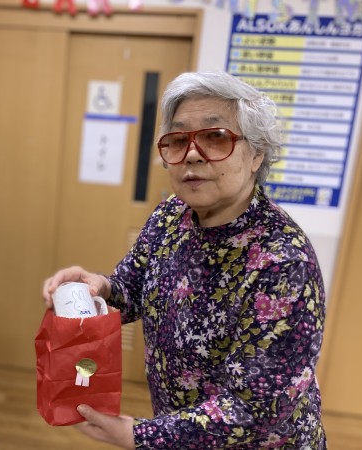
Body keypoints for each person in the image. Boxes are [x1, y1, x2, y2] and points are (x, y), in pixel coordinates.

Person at [42, 71, 327, 449]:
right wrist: (100, 287)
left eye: (215, 137)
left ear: (256, 154)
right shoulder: (170, 216)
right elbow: (133, 289)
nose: (191, 153)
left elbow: (255, 408)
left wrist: (139, 435)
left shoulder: (284, 262)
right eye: (178, 140)